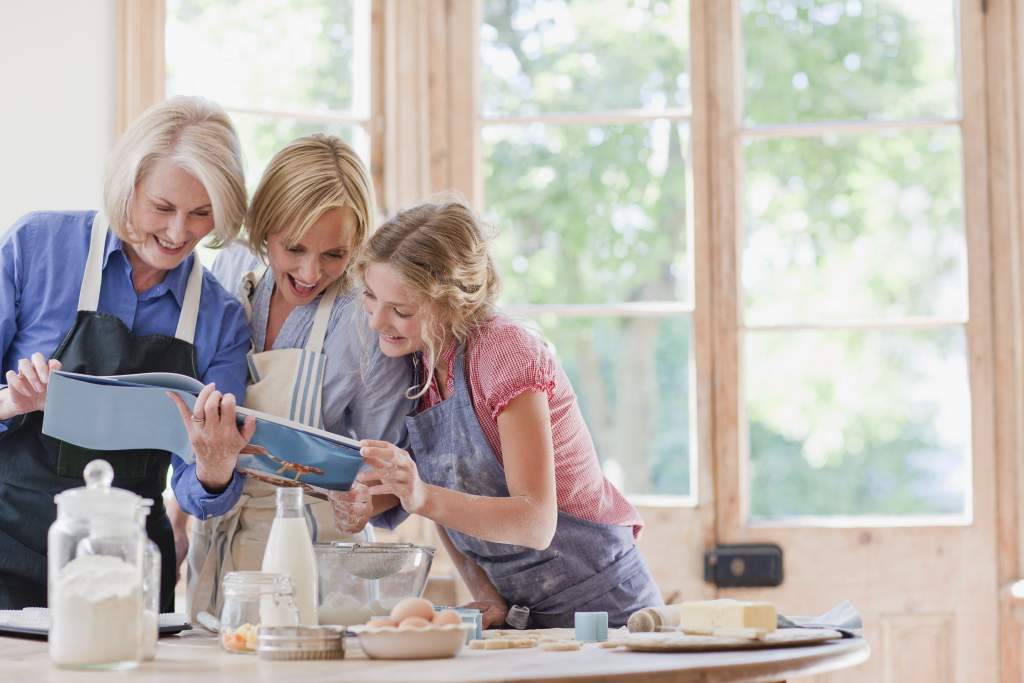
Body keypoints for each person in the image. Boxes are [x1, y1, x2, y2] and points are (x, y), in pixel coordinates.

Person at [336, 199, 663, 628]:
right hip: (524, 616)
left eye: (401, 310)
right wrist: (484, 593)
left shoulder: (504, 354)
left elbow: (534, 522)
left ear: (452, 304)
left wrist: (422, 496)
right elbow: (444, 497)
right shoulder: (421, 367)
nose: (378, 321)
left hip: (607, 611)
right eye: (371, 298)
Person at [0, 96, 254, 611]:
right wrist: (14, 401)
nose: (179, 232)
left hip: (129, 571)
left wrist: (215, 466)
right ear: (127, 186)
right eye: (162, 208)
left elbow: (200, 493)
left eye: (202, 214)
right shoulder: (37, 248)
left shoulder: (221, 319)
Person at [173, 135, 415, 621]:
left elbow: (392, 468)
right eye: (294, 247)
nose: (310, 271)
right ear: (264, 229)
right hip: (222, 549)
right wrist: (178, 523)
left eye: (334, 254)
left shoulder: (365, 323)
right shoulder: (233, 269)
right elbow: (203, 425)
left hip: (317, 562)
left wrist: (365, 502)